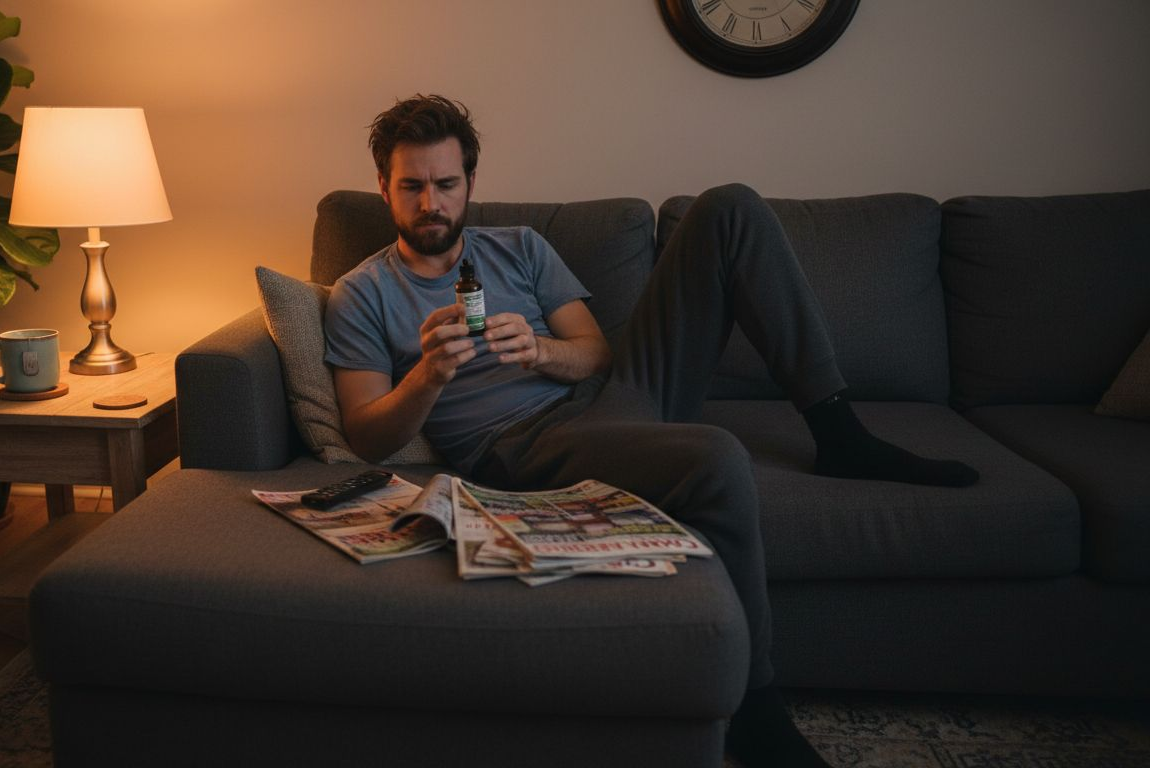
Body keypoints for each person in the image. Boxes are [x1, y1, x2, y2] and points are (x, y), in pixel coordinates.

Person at [324, 94, 978, 768]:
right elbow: (367, 434)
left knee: (729, 206)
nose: (431, 202)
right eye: (412, 186)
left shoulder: (520, 247)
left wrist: (543, 350)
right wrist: (427, 376)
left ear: (470, 183)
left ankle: (838, 430)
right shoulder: (362, 293)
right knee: (716, 455)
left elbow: (598, 353)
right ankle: (755, 705)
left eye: (446, 184)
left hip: (612, 399)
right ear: (384, 186)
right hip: (525, 445)